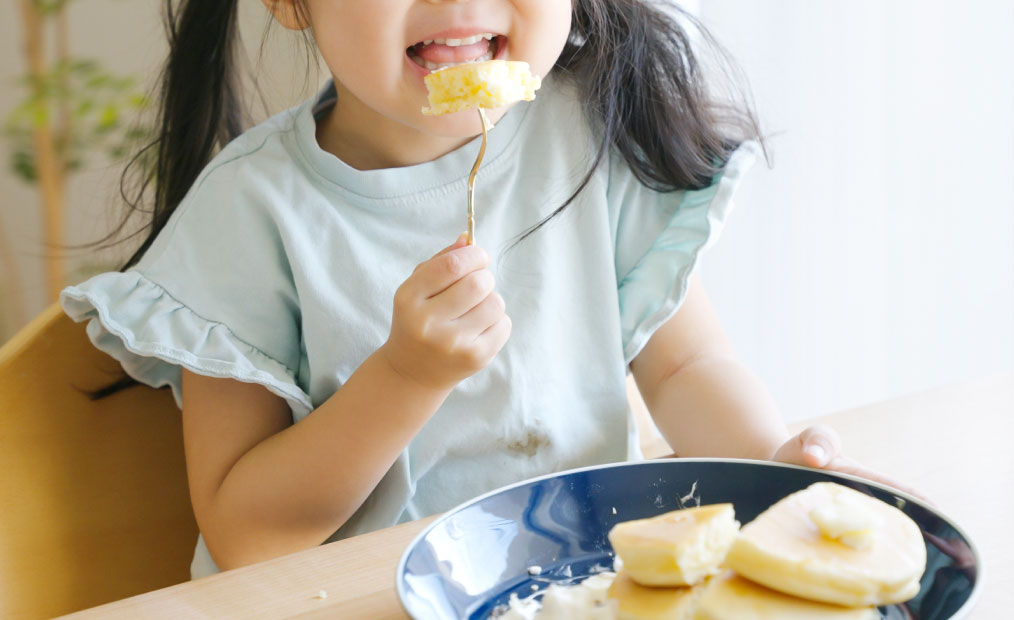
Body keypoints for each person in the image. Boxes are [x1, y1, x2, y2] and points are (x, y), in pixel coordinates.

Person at [61, 0, 904, 579]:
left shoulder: (589, 132)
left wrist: (772, 468)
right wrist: (405, 377)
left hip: (582, 582)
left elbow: (687, 371)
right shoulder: (247, 212)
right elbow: (249, 535)